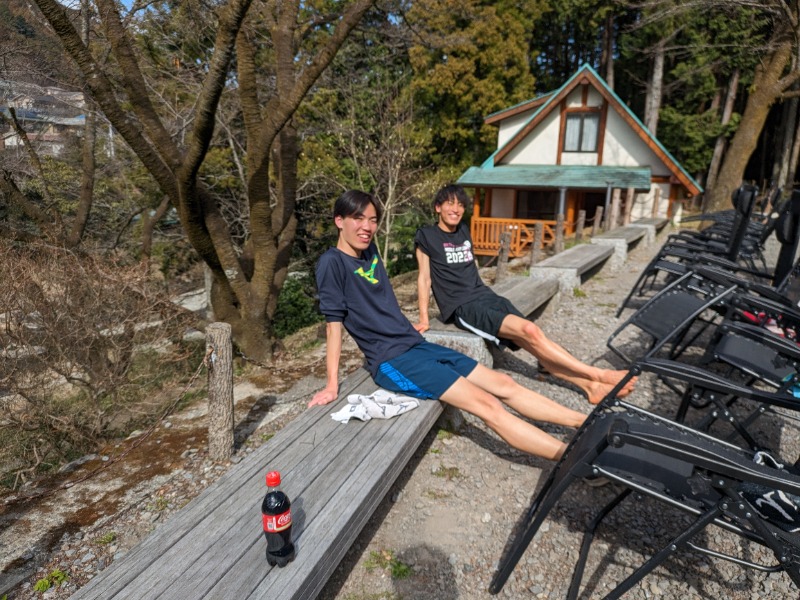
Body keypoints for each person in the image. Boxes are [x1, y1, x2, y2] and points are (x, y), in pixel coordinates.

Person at [308, 190, 588, 461]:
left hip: (415, 344)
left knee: (504, 382)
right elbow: (334, 326)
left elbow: (382, 304)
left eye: (372, 220)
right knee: (487, 404)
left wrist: (415, 323)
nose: (366, 227)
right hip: (392, 359)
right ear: (339, 221)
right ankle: (575, 460)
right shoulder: (331, 263)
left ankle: (584, 423)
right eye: (358, 219)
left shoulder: (369, 254)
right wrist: (332, 384)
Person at [414, 184, 634, 405]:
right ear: (437, 207)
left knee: (533, 336)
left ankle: (590, 387)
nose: (456, 209)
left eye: (461, 205)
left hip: (486, 295)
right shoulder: (427, 235)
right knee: (529, 330)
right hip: (463, 306)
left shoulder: (463, 229)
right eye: (450, 203)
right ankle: (598, 375)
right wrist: (424, 318)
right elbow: (424, 278)